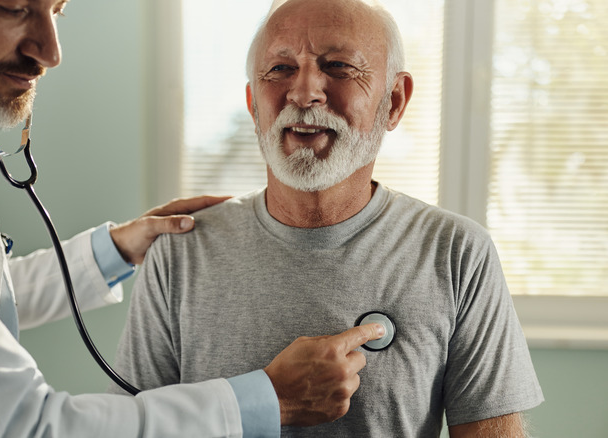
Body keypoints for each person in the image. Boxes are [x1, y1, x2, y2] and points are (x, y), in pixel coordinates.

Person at [0, 0, 389, 436]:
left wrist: (118, 248)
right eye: (13, 8)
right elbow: (25, 427)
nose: (50, 51)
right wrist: (268, 399)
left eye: (57, 11)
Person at [109, 0, 545, 436]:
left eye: (338, 66)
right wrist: (267, 399)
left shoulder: (457, 253)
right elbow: (134, 428)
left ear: (394, 101)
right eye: (279, 69)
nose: (303, 94)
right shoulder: (178, 253)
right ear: (252, 103)